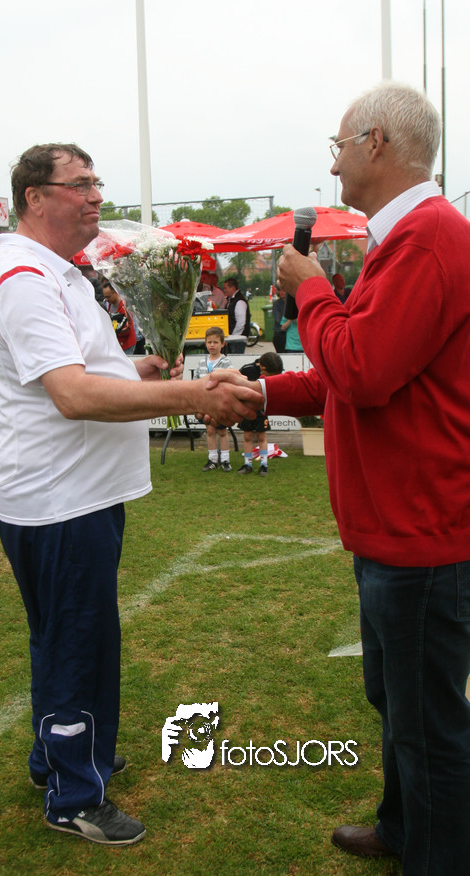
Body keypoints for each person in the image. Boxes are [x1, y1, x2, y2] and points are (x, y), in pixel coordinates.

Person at [0, 143, 263, 847]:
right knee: (79, 646)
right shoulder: (23, 277)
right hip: (62, 501)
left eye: (96, 181)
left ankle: (58, 755)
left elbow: (75, 372)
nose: (96, 195)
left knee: (61, 640)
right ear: (35, 197)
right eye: (80, 184)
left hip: (74, 496)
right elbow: (72, 395)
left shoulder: (55, 271)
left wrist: (136, 370)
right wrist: (192, 395)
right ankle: (76, 793)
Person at [246, 83, 470, 875]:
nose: (334, 164)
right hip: (396, 530)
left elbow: (363, 369)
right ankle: (404, 828)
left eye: (338, 146)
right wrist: (262, 394)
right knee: (399, 704)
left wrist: (309, 286)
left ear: (376, 143)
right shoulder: (405, 240)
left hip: (420, 533)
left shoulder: (428, 239)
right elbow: (354, 370)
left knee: (428, 723)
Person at [193, 326, 234, 472]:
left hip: (220, 403)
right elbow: (196, 381)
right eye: (209, 342)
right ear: (205, 343)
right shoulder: (201, 362)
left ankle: (225, 460)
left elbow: (230, 381)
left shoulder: (226, 362)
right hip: (205, 404)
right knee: (210, 430)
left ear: (222, 344)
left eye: (216, 342)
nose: (212, 345)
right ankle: (212, 459)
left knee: (222, 431)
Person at [237, 352, 283, 475]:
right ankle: (247, 464)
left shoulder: (272, 371)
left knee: (261, 437)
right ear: (263, 368)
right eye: (271, 374)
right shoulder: (247, 370)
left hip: (262, 410)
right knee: (247, 437)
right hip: (247, 409)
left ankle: (264, 465)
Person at [102, 279, 137, 355]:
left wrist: (114, 331)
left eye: (108, 297)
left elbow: (127, 327)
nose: (107, 299)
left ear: (115, 292)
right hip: (118, 343)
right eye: (105, 297)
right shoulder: (109, 304)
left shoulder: (123, 306)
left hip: (126, 344)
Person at [223, 277, 250, 353]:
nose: (224, 290)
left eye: (226, 288)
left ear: (232, 288)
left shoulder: (239, 302)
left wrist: (233, 337)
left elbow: (241, 323)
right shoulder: (231, 300)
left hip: (237, 340)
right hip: (233, 338)